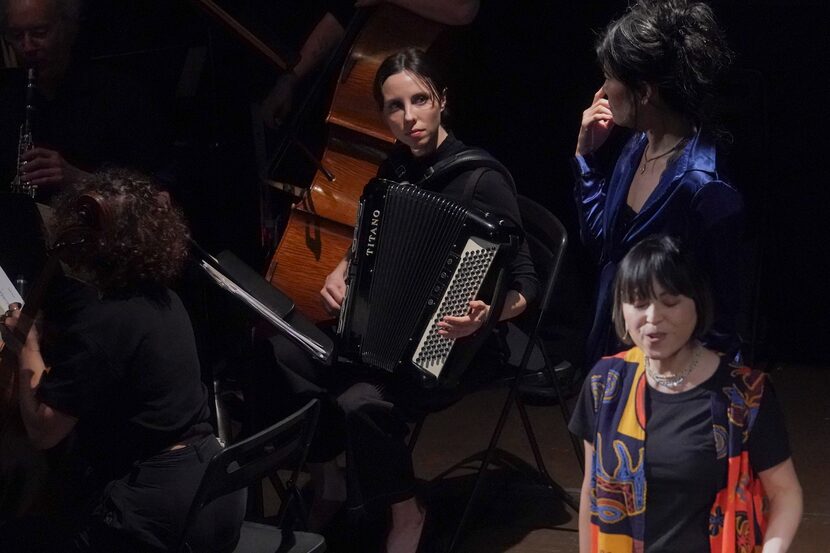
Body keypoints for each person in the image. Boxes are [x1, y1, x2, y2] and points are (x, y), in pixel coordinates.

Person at [254, 47, 537, 553]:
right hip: (378, 336)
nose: (409, 118)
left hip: (457, 348)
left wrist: (488, 315)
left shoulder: (481, 179)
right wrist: (342, 273)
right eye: (394, 107)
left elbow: (524, 283)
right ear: (382, 113)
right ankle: (330, 481)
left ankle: (407, 513)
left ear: (441, 101)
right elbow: (368, 239)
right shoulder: (395, 168)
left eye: (420, 100)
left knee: (361, 402)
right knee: (283, 354)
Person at [1, 168, 245, 552]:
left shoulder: (105, 322)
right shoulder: (165, 299)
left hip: (157, 514)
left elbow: (43, 432)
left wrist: (26, 345)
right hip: (215, 488)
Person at [568, 234, 802, 553]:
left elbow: (784, 494)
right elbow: (591, 490)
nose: (652, 318)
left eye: (669, 302)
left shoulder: (745, 395)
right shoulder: (605, 383)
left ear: (698, 303)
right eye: (638, 303)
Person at [573, 0, 744, 365]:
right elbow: (604, 246)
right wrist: (585, 158)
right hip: (615, 344)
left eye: (610, 77)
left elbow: (723, 319)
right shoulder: (638, 145)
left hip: (668, 372)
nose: (602, 90)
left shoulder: (703, 186)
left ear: (645, 90)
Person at [0, 0, 168, 199]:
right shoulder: (6, 96)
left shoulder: (117, 94)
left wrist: (79, 179)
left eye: (39, 32)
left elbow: (154, 191)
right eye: (17, 36)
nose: (27, 47)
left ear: (68, 27)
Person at [261, 0, 480, 127]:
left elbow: (463, 8)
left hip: (435, 118)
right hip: (340, 98)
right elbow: (339, 16)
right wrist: (291, 78)